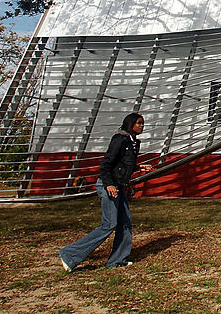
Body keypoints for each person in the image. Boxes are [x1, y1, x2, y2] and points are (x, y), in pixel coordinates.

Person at [58, 113, 152, 271]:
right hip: (108, 185)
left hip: (118, 185)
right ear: (130, 124)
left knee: (125, 222)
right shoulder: (120, 140)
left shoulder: (132, 142)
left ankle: (117, 260)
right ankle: (70, 254)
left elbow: (121, 165)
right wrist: (108, 185)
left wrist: (138, 167)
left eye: (142, 123)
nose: (141, 126)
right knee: (109, 224)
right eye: (138, 123)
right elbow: (106, 165)